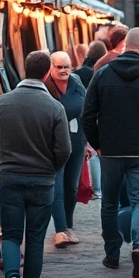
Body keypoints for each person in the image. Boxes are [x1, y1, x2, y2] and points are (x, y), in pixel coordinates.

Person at [0, 50, 72, 278]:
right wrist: (50, 168)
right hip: (41, 182)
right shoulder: (55, 107)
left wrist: (5, 165)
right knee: (35, 240)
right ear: (47, 73)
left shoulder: (3, 102)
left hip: (10, 179)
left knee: (10, 236)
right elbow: (64, 150)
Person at [82, 27, 139, 278]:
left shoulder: (102, 74)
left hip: (111, 151)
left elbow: (87, 115)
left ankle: (112, 254)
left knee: (109, 203)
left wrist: (98, 143)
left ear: (125, 46)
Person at [45, 51, 88, 248]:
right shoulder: (45, 86)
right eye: (59, 67)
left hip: (77, 140)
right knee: (58, 185)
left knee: (72, 186)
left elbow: (87, 109)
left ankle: (68, 225)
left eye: (67, 67)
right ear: (50, 68)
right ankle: (60, 230)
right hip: (54, 143)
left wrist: (89, 142)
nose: (64, 71)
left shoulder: (77, 82)